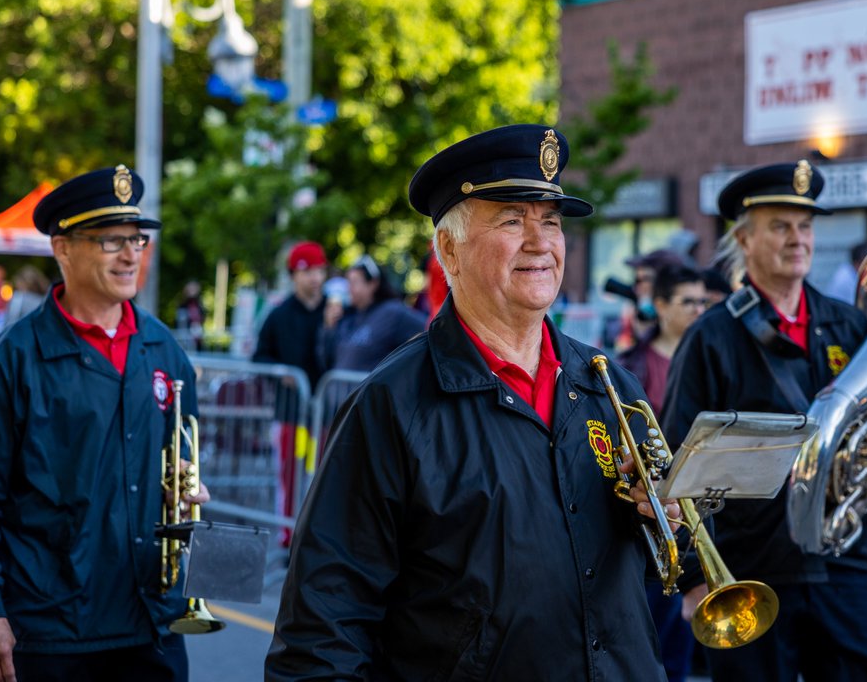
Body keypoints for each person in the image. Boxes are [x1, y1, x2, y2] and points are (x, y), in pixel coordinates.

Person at [266, 124, 691, 680]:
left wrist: (665, 517)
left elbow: (647, 573)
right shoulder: (391, 405)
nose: (540, 243)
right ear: (449, 248)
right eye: (513, 220)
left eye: (552, 222)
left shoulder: (610, 386)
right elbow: (321, 633)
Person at [660, 161, 867, 682]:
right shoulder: (711, 337)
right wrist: (692, 578)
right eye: (780, 226)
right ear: (744, 240)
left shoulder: (848, 322)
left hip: (842, 563)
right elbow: (674, 461)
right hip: (752, 569)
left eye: (806, 226)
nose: (798, 239)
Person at [0, 164, 207, 682]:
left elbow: (181, 452)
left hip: (153, 623)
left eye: (137, 239)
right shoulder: (16, 356)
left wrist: (187, 487)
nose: (131, 255)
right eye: (111, 241)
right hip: (52, 632)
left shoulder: (164, 348)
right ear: (63, 249)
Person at [618, 263, 709, 682]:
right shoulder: (629, 365)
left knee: (678, 653)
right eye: (687, 301)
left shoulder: (710, 357)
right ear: (660, 306)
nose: (697, 310)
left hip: (695, 515)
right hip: (649, 520)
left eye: (702, 302)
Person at [253, 241, 329, 542]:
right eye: (306, 271)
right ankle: (289, 534)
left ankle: (319, 534)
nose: (313, 277)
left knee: (323, 473)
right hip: (291, 415)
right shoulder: (279, 315)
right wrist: (280, 371)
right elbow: (260, 355)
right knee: (290, 474)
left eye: (318, 270)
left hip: (325, 415)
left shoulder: (335, 311)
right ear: (293, 276)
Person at [318, 254, 426, 373]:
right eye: (348, 282)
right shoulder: (348, 316)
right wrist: (329, 328)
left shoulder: (392, 312)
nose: (349, 288)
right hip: (340, 390)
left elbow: (427, 328)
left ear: (373, 284)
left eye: (354, 282)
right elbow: (327, 360)